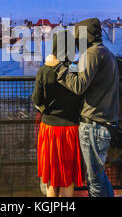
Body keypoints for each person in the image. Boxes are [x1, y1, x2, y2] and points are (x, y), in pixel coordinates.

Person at [47, 18, 120, 197]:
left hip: (93, 125)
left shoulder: (92, 54)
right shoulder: (106, 53)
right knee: (100, 177)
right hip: (106, 122)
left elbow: (79, 86)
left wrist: (57, 67)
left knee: (94, 180)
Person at [32, 30, 83, 197]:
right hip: (71, 129)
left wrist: (44, 109)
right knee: (68, 181)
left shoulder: (44, 71)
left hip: (50, 130)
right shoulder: (76, 70)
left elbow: (37, 100)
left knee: (52, 181)